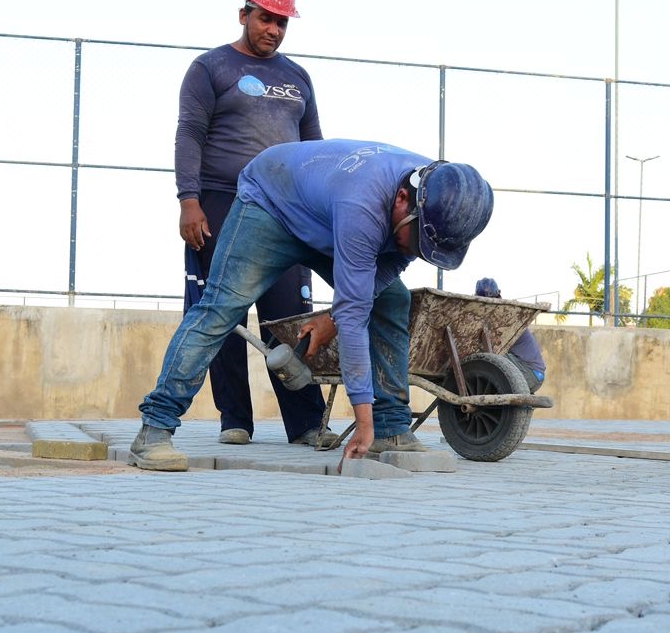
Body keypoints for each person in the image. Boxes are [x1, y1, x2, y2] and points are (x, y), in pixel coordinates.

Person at [131, 140, 494, 472]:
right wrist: (360, 426)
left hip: (327, 216)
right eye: (416, 242)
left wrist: (331, 317)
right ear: (402, 199)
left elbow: (378, 280)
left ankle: (392, 429)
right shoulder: (365, 202)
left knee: (392, 299)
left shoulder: (435, 202)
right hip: (271, 202)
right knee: (221, 308)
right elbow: (354, 316)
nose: (415, 252)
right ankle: (155, 428)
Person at [173, 0, 328, 448]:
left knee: (290, 317)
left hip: (287, 210)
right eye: (266, 18)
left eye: (282, 22)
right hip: (223, 202)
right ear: (244, 14)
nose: (274, 30)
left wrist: (321, 211)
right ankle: (234, 419)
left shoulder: (297, 77)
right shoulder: (210, 68)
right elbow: (190, 135)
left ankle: (306, 424)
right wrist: (189, 202)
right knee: (224, 315)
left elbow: (314, 149)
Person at [474, 277, 548, 388]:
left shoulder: (503, 318)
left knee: (485, 357)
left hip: (529, 373)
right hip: (535, 374)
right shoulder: (504, 315)